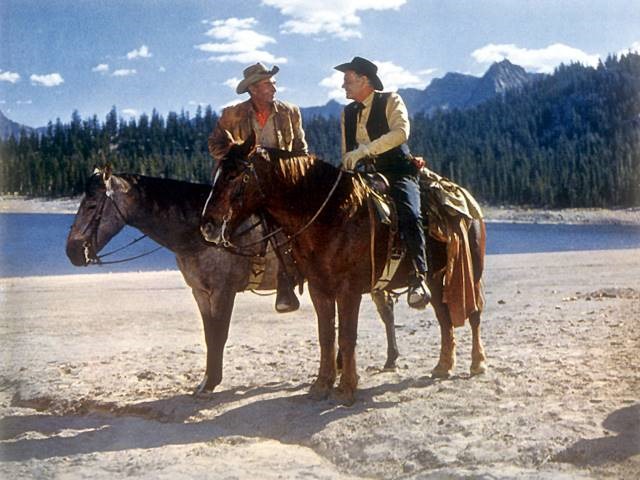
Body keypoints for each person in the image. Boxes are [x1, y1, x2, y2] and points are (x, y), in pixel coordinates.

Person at [208, 62, 308, 313]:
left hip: (281, 183)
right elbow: (215, 144)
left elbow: (300, 150)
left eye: (273, 83)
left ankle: (286, 281)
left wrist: (288, 168)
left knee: (290, 222)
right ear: (253, 89)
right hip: (244, 183)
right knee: (214, 212)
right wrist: (236, 156)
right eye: (267, 84)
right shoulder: (232, 114)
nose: (274, 88)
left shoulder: (290, 112)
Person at [334, 56, 431, 309]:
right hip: (363, 175)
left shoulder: (391, 100)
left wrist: (365, 151)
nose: (343, 86)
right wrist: (349, 162)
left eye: (348, 80)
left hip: (397, 170)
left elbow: (401, 133)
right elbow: (347, 151)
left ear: (364, 80)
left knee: (410, 213)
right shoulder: (347, 112)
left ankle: (418, 275)